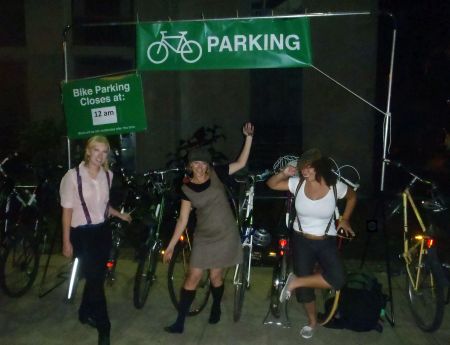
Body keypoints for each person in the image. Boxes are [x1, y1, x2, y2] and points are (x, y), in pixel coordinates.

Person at [163, 122, 254, 334]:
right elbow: (183, 220)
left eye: (203, 163)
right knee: (192, 277)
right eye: (196, 163)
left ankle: (215, 307)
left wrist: (248, 137)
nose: (200, 167)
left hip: (225, 235)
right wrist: (170, 246)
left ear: (208, 164)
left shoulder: (217, 173)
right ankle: (180, 322)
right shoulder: (186, 188)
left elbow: (240, 163)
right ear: (190, 166)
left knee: (216, 278)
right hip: (204, 237)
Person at [266, 148, 356, 339]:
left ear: (319, 167)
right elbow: (271, 184)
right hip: (301, 240)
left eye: (308, 168)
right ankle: (312, 322)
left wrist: (345, 219)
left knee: (338, 279)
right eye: (302, 168)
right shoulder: (297, 184)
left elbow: (352, 196)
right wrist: (283, 173)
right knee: (305, 292)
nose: (304, 172)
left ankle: (296, 281)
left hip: (326, 240)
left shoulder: (334, 187)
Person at [60, 135, 131, 345]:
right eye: (96, 150)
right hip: (82, 235)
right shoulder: (72, 177)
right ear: (88, 151)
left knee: (95, 277)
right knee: (95, 281)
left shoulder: (108, 175)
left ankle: (83, 312)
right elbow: (67, 211)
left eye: (104, 151)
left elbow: (102, 206)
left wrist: (120, 215)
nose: (100, 155)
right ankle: (104, 327)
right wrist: (66, 241)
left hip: (102, 232)